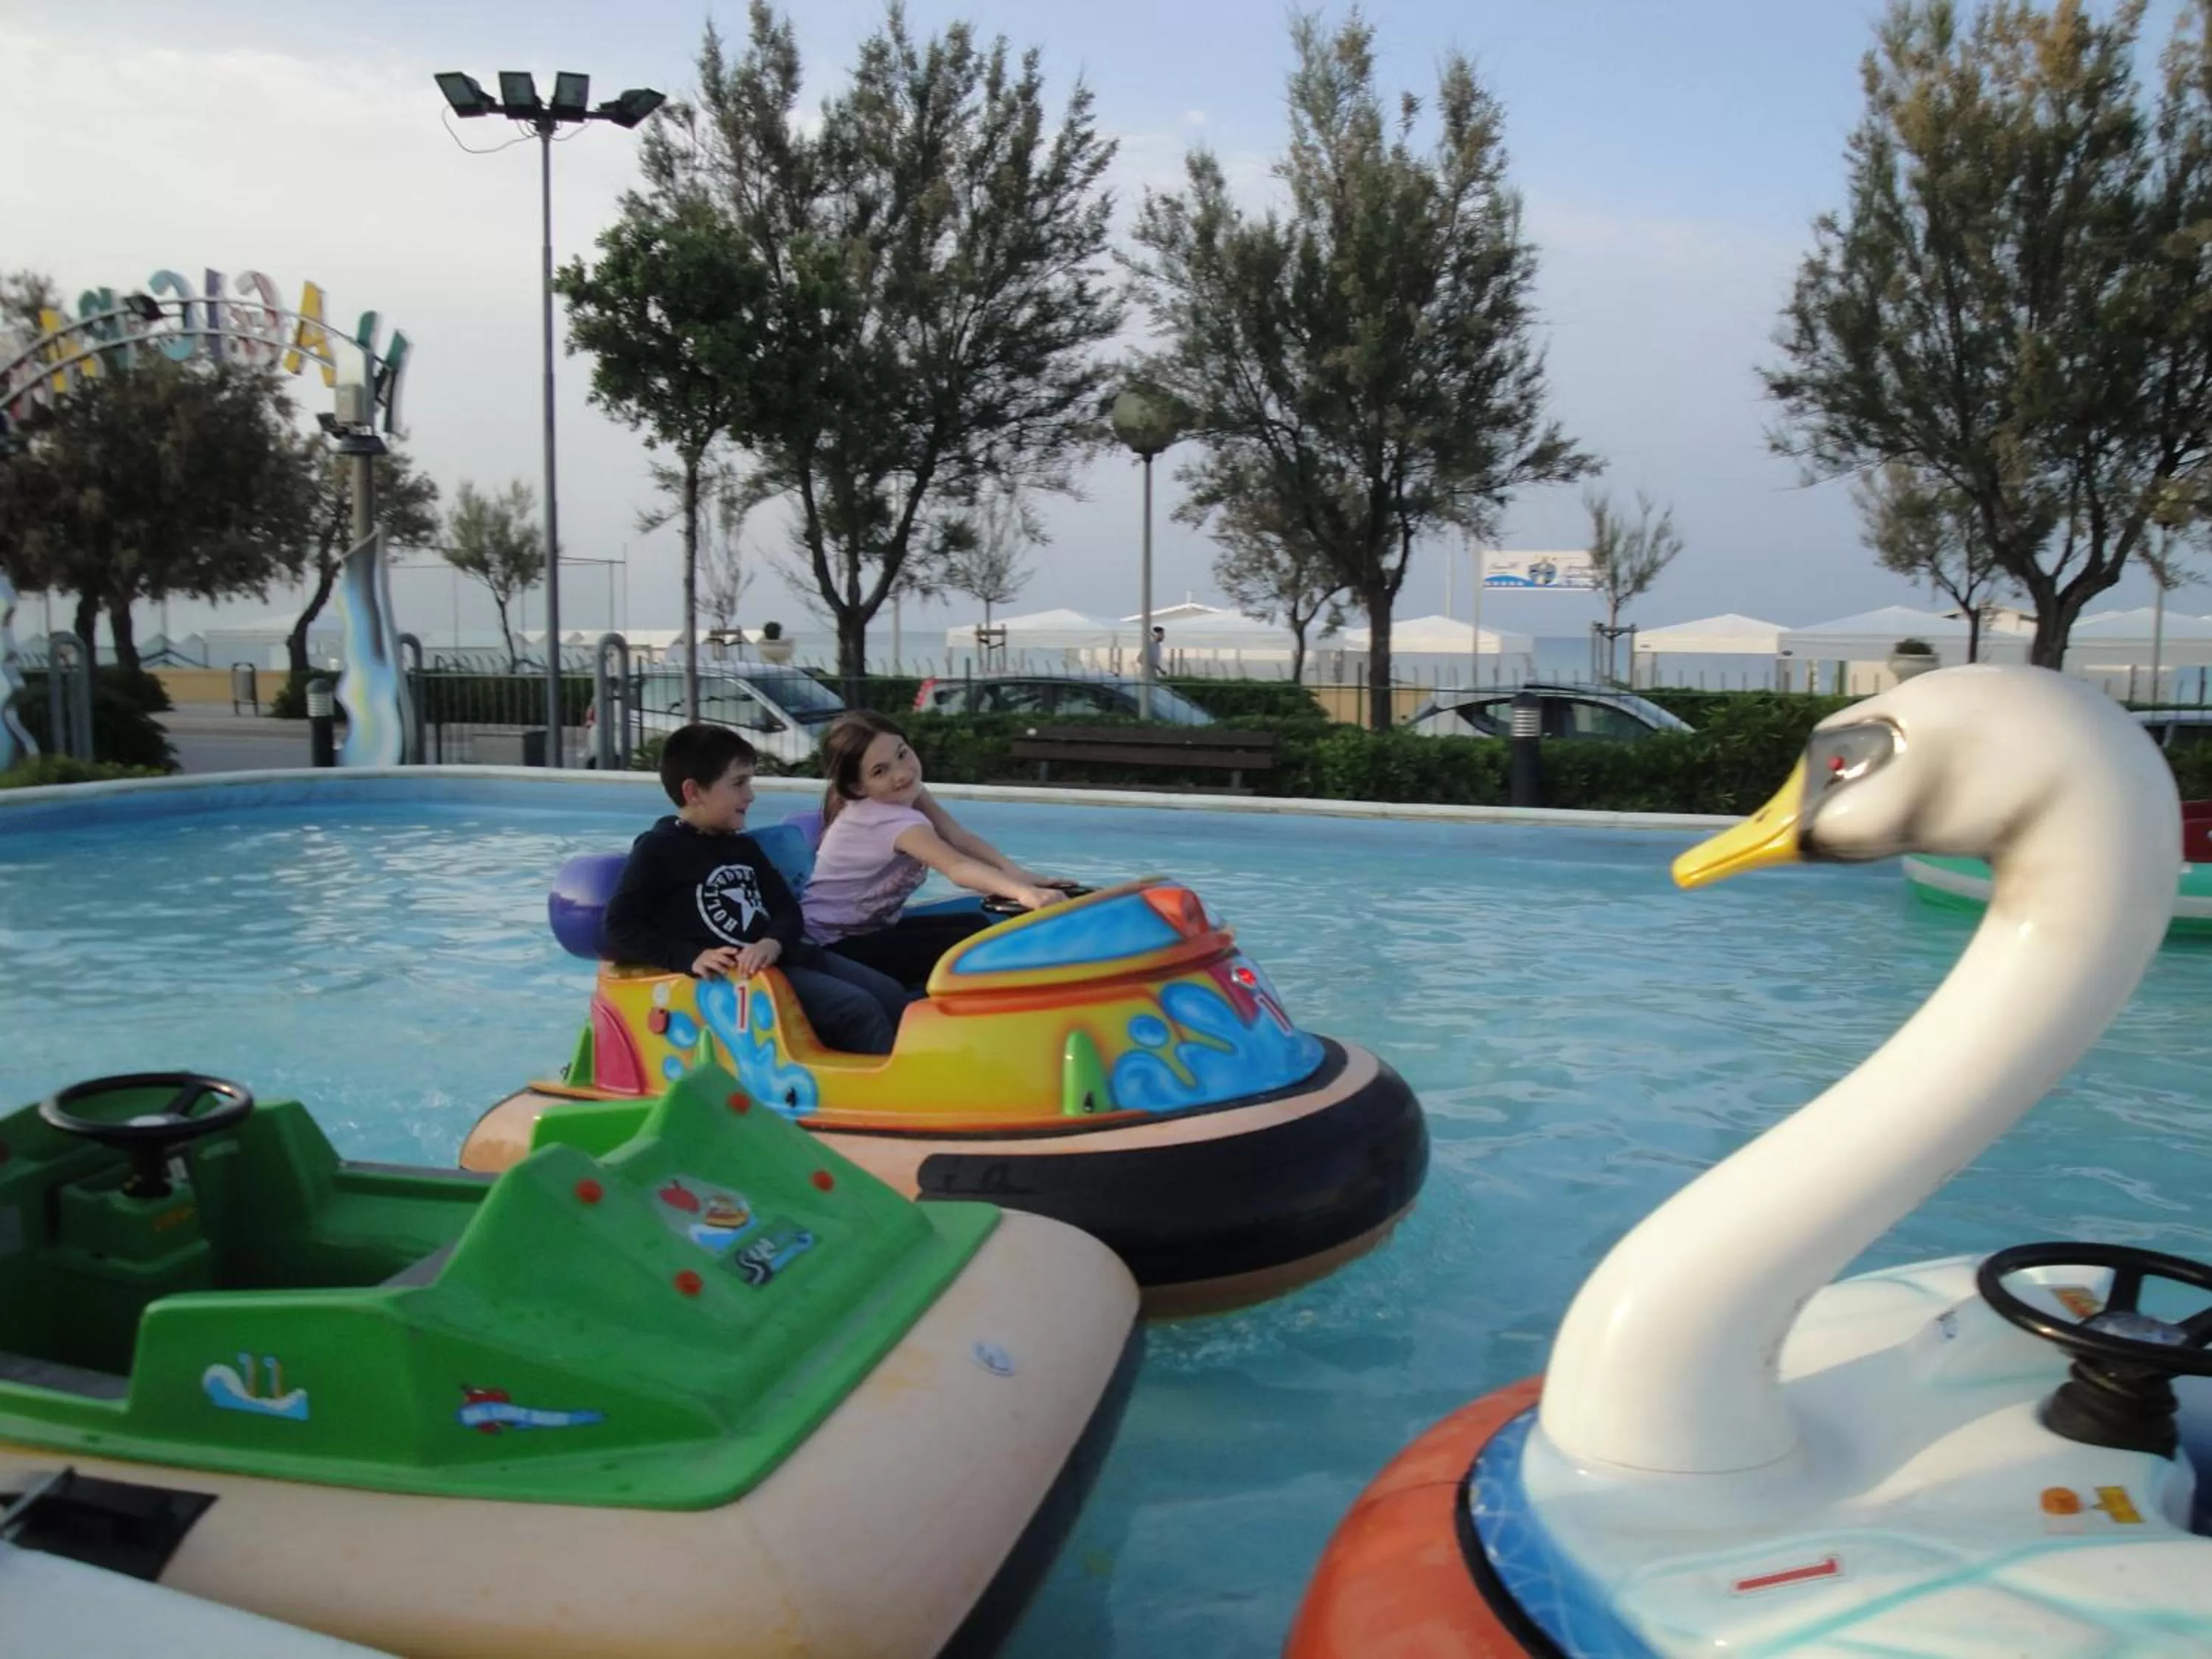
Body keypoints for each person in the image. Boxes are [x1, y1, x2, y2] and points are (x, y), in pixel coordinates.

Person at [602, 723, 912, 1055]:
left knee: (894, 996)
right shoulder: (658, 849)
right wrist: (690, 957)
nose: (750, 795)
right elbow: (620, 926)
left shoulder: (741, 847)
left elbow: (786, 908)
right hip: (741, 981)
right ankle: (885, 1095)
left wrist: (772, 941)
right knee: (858, 1010)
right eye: (738, 784)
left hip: (788, 958)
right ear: (694, 792)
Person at [803, 711, 1071, 987]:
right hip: (829, 947)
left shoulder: (907, 795)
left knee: (974, 926)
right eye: (880, 771)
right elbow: (956, 866)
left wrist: (1016, 874)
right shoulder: (888, 821)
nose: (902, 773)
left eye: (902, 754)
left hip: (865, 931)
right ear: (857, 786)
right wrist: (1025, 894)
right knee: (966, 950)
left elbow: (957, 837)